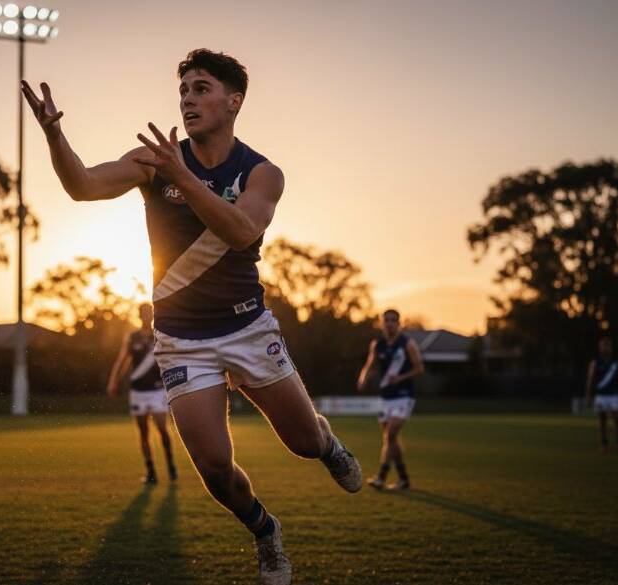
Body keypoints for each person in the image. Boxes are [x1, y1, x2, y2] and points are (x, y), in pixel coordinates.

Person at [22, 48, 361, 585]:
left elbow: (242, 232)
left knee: (303, 443)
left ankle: (329, 445)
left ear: (234, 101)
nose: (188, 99)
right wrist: (53, 137)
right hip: (182, 339)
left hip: (249, 329)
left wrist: (183, 174)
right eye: (183, 91)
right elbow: (83, 186)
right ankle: (266, 531)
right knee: (214, 470)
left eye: (201, 89)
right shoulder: (155, 162)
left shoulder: (263, 172)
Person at [107, 303, 178, 484]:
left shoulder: (160, 336)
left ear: (153, 315)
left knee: (163, 429)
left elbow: (171, 359)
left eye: (149, 313)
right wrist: (114, 381)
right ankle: (151, 471)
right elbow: (122, 360)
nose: (146, 316)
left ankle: (171, 466)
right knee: (143, 432)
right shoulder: (132, 337)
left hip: (157, 390)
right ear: (139, 315)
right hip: (138, 390)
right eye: (143, 313)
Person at [357, 309, 424, 490]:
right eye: (386, 320)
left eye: (393, 320)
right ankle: (404, 479)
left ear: (399, 323)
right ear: (382, 323)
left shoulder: (407, 343)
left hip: (404, 396)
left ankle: (381, 476)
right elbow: (370, 365)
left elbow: (419, 368)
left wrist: (400, 378)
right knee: (391, 439)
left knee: (391, 434)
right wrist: (363, 378)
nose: (390, 323)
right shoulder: (377, 344)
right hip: (386, 398)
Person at [584, 337, 618, 453]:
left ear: (611, 348)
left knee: (617, 419)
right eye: (603, 346)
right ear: (600, 347)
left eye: (607, 346)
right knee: (602, 421)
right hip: (601, 396)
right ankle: (604, 445)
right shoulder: (595, 362)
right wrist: (588, 395)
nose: (605, 348)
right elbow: (590, 379)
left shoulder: (616, 362)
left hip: (614, 395)